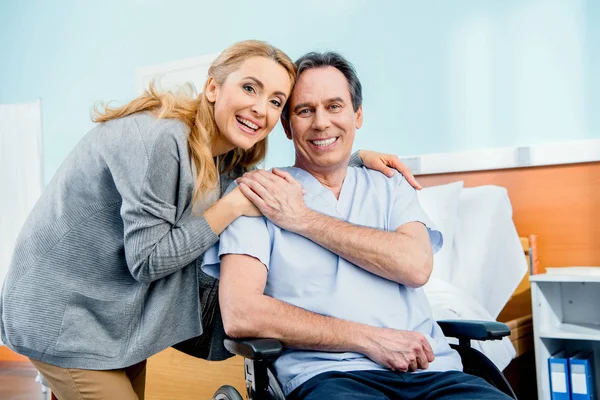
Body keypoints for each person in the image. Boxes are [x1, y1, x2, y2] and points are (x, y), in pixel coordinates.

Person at [0, 40, 417, 400]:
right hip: (62, 313)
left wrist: (351, 159)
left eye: (275, 101)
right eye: (250, 88)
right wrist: (233, 206)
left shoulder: (224, 156)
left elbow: (267, 185)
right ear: (214, 88)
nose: (260, 108)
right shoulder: (162, 139)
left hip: (110, 313)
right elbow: (147, 261)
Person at [203, 51, 512, 399]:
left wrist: (303, 218)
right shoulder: (260, 194)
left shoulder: (389, 185)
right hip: (329, 377)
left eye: (334, 106)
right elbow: (241, 313)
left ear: (357, 115)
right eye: (305, 110)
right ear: (287, 126)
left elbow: (415, 266)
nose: (321, 123)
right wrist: (369, 339)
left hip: (433, 372)